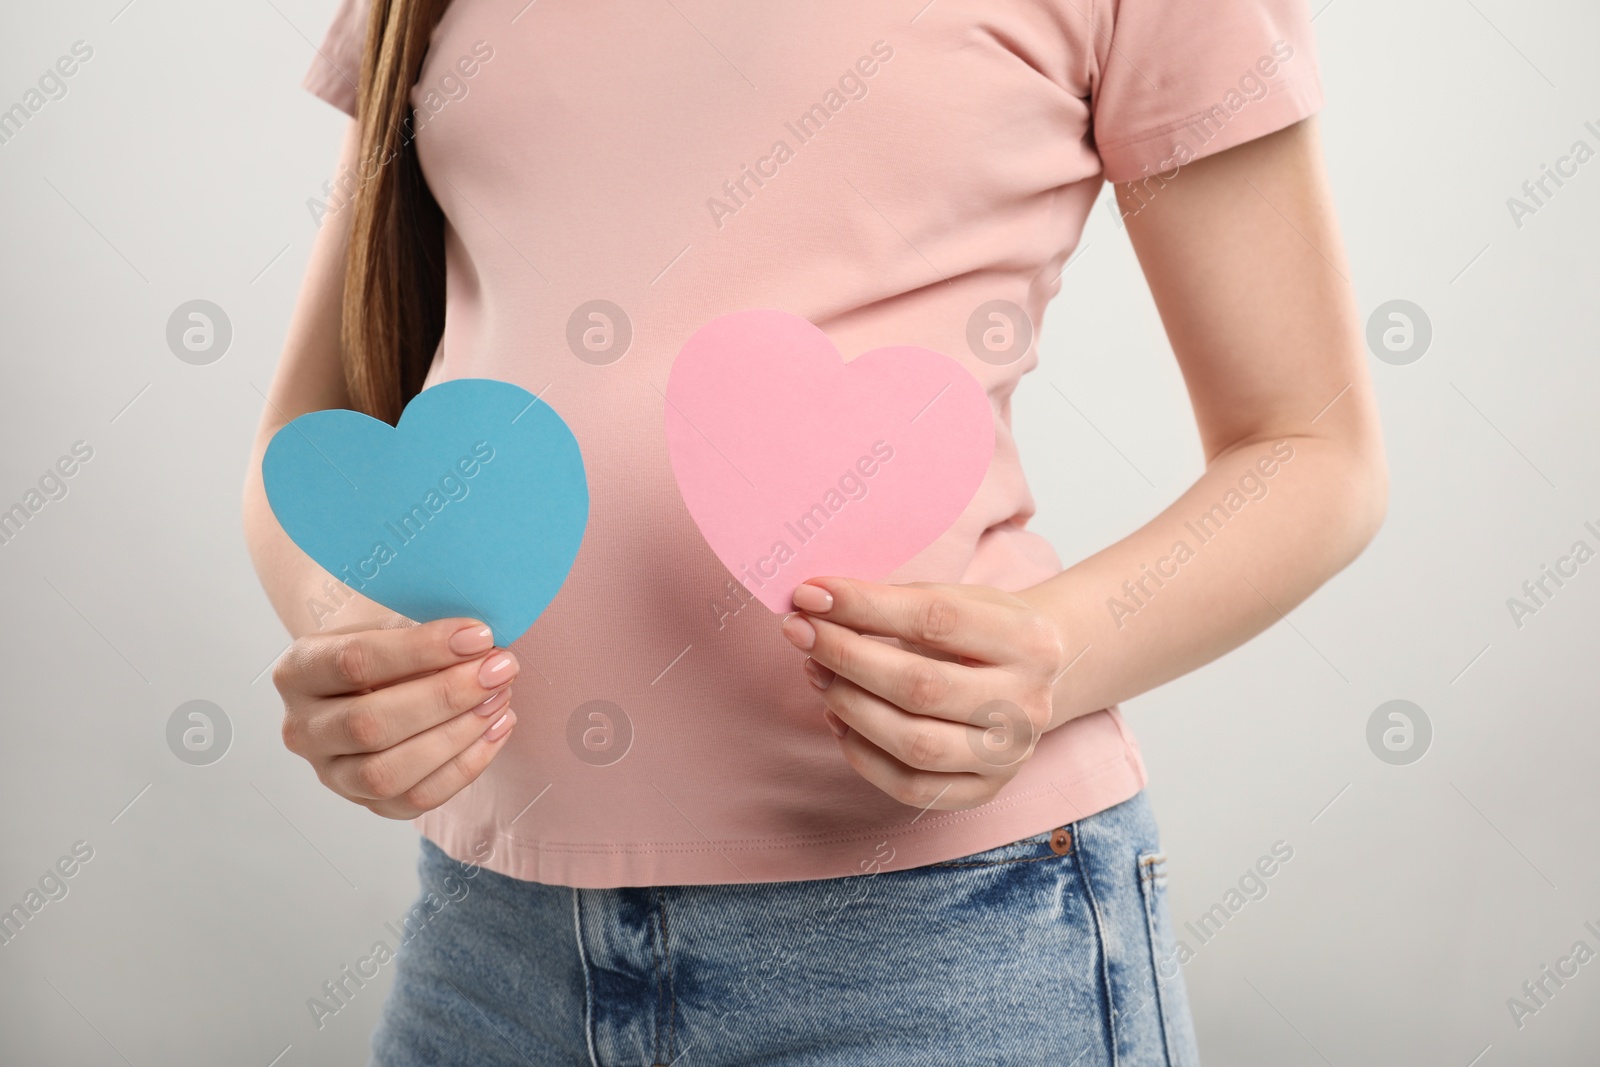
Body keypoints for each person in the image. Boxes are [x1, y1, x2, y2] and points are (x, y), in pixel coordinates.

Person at [244, 1, 1386, 1063]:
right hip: (494, 944)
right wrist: (350, 644)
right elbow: (314, 427)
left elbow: (1311, 447)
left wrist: (1053, 653)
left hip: (943, 941)